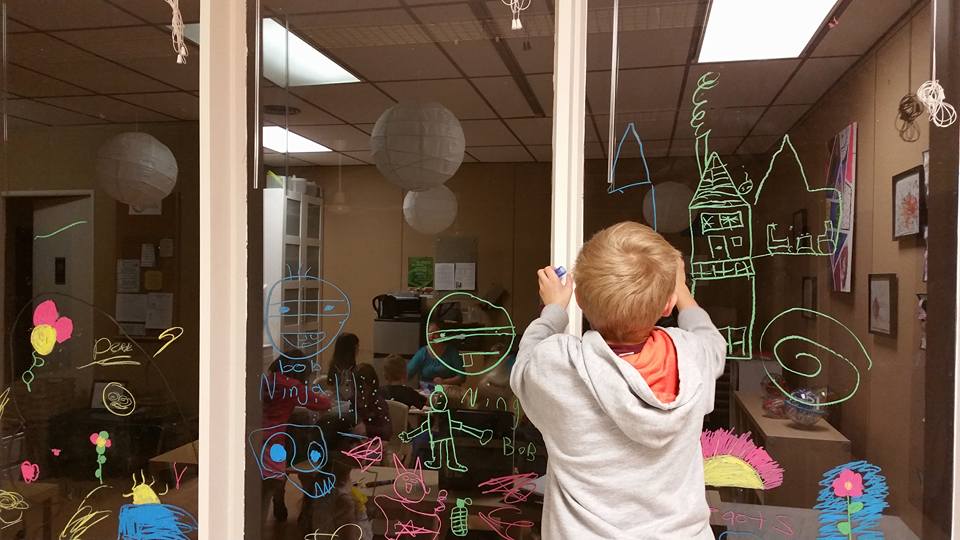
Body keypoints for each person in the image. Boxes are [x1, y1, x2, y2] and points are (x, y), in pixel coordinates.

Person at [510, 222, 726, 539]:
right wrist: (681, 290)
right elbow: (711, 339)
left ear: (580, 300)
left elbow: (526, 359)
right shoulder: (693, 357)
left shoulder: (558, 366)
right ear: (667, 305)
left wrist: (554, 308)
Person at [260, 350, 332, 523]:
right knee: (263, 499)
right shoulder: (292, 386)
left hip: (255, 440)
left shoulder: (266, 381)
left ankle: (276, 500)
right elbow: (322, 403)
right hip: (274, 445)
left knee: (256, 499)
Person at [353, 363, 393, 440]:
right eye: (356, 389)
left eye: (363, 390)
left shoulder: (378, 403)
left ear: (371, 387)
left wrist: (367, 429)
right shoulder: (353, 401)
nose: (359, 394)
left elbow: (387, 431)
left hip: (375, 444)